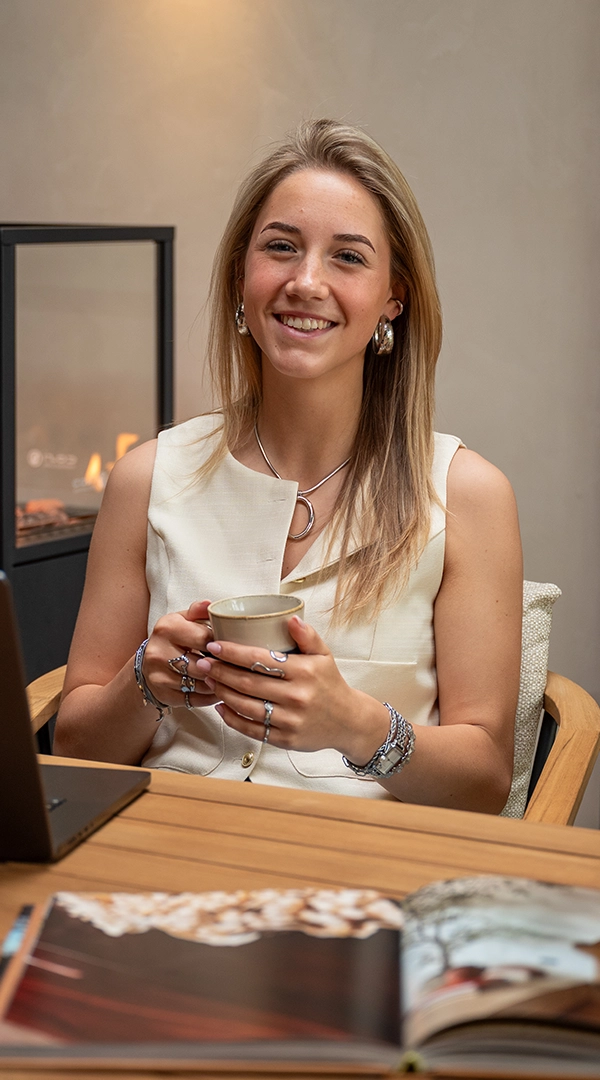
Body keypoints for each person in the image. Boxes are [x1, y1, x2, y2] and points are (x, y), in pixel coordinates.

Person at [54, 119, 523, 813]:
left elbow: (484, 785)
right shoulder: (146, 478)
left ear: (394, 298)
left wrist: (357, 725)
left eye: (348, 257)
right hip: (163, 843)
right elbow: (74, 751)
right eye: (281, 247)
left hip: (358, 864)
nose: (305, 282)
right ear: (241, 277)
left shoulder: (467, 495)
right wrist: (144, 683)